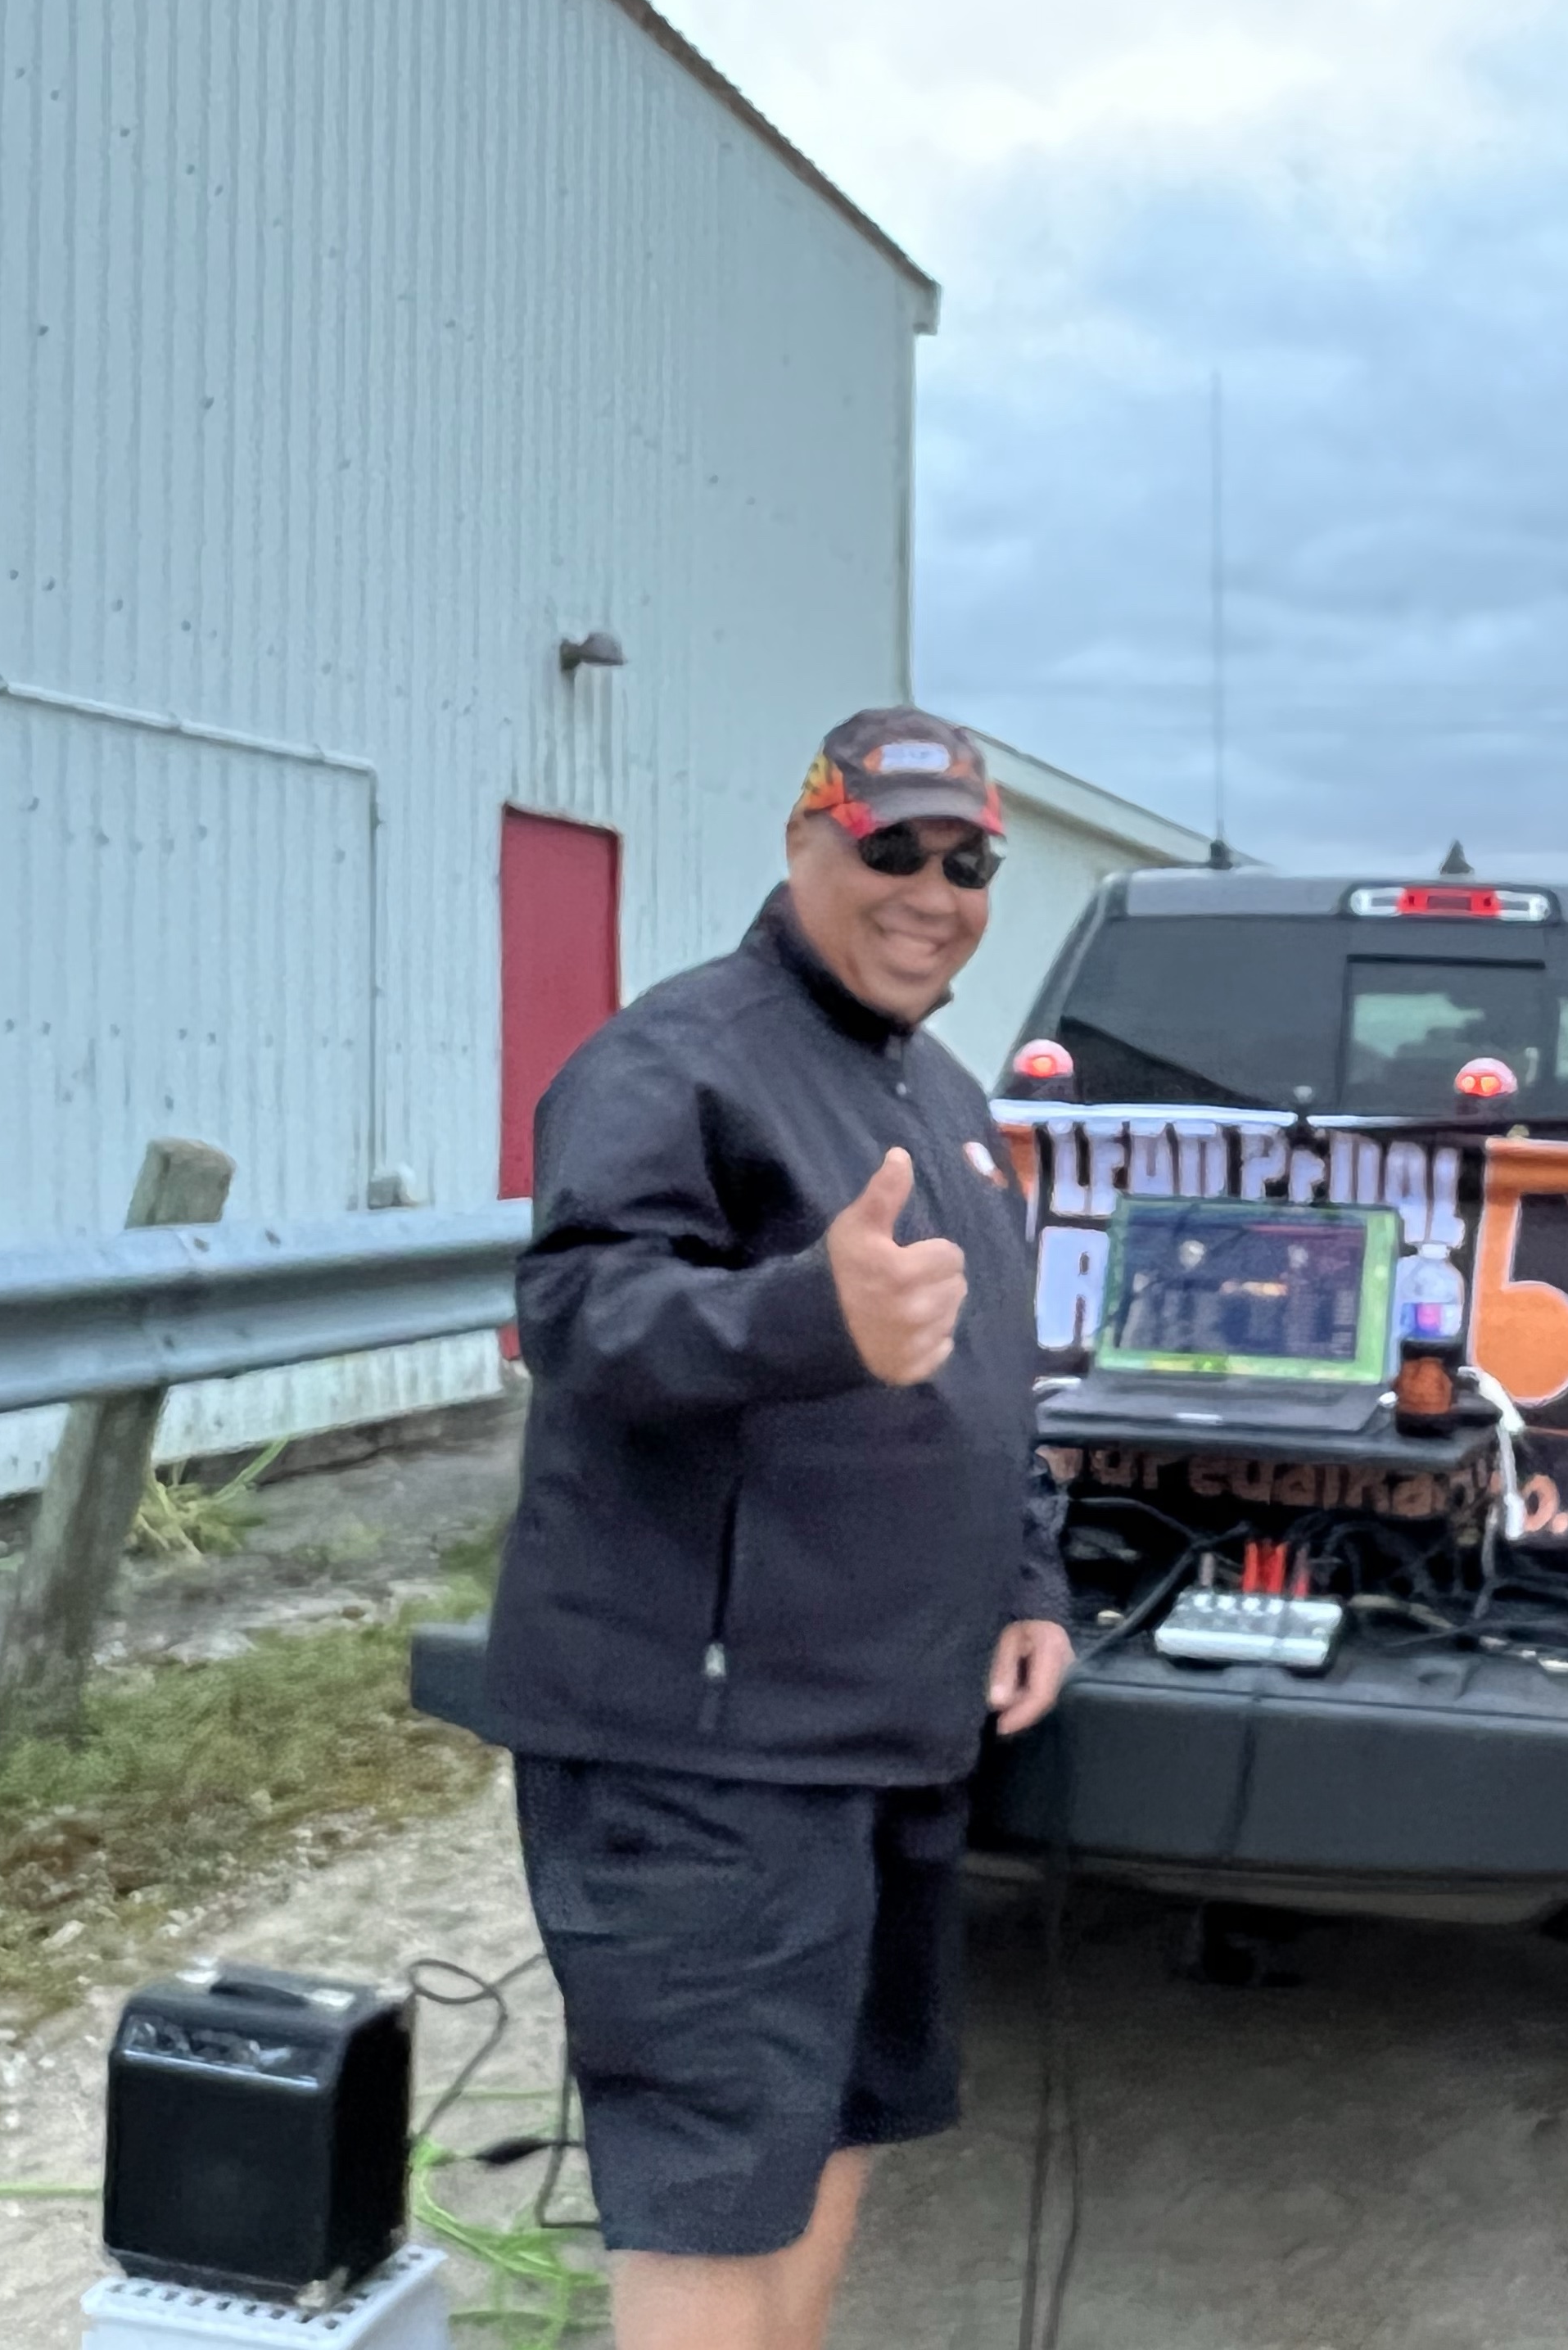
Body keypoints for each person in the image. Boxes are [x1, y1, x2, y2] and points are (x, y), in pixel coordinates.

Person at [483, 707, 1073, 2350]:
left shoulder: (944, 1095)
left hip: (892, 1727)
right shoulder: (679, 1059)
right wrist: (810, 1318)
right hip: (706, 1746)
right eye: (894, 849)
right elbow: (581, 1315)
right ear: (807, 841)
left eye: (968, 864)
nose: (933, 893)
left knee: (839, 2122)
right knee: (713, 2177)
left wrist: (1028, 1577)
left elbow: (991, 1384)